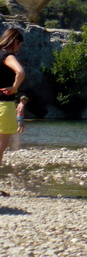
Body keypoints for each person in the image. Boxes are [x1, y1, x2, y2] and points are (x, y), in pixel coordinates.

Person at [0, 28, 26, 166]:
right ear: (15, 41)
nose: (18, 49)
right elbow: (20, 72)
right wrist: (14, 87)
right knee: (0, 147)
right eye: (19, 45)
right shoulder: (7, 55)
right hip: (3, 105)